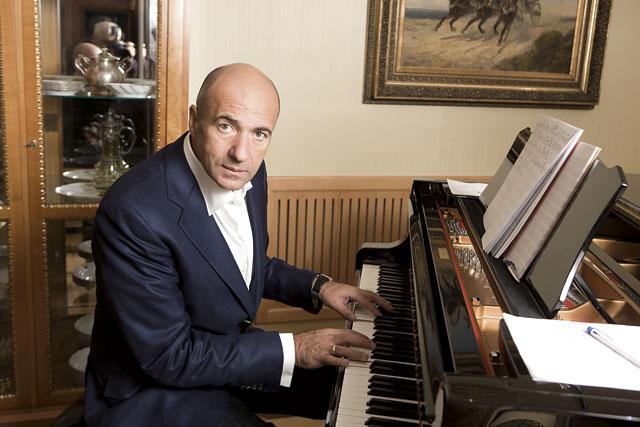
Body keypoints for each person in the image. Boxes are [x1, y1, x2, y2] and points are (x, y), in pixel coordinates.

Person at [84, 63, 393, 426]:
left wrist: (321, 287)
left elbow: (243, 266)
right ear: (194, 120)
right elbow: (169, 356)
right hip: (152, 387)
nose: (241, 153)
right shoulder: (133, 211)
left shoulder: (248, 171)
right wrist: (296, 348)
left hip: (217, 352)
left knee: (358, 381)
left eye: (260, 133)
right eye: (226, 126)